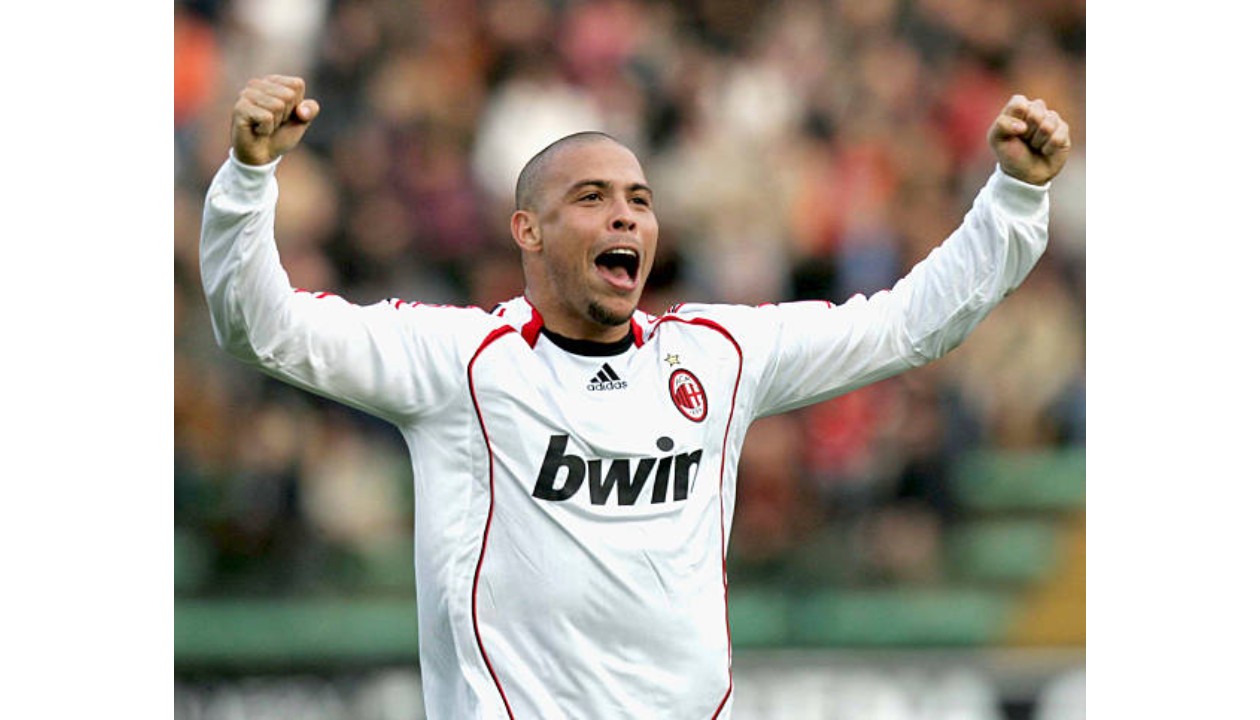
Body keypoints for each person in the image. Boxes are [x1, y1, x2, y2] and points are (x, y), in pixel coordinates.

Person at [200, 74, 1070, 719]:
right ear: (527, 230)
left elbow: (905, 326)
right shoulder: (461, 362)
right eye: (592, 198)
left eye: (640, 202)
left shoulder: (718, 358)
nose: (626, 218)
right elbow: (262, 329)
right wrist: (247, 180)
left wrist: (1016, 196)